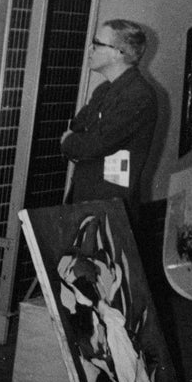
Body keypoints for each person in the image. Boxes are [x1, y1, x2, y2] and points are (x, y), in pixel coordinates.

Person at [61, 19, 158, 229]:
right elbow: (78, 127)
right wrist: (76, 139)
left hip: (109, 210)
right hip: (85, 199)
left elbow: (89, 145)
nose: (90, 49)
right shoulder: (104, 90)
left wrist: (72, 141)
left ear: (118, 53)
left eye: (97, 43)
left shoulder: (139, 96)